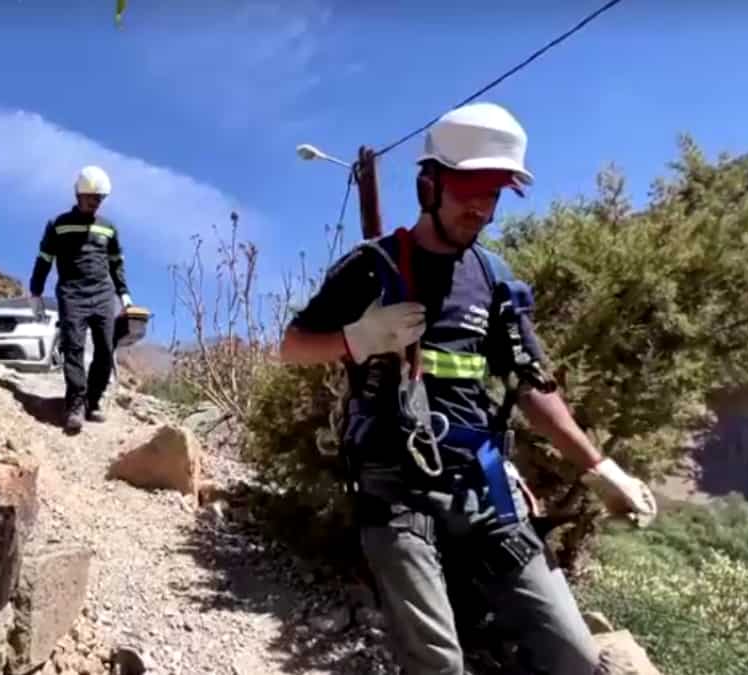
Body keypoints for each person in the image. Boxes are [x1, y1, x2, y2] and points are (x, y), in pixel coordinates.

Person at [279, 102, 657, 675]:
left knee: (573, 656)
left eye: (494, 194)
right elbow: (292, 346)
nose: (481, 207)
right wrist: (357, 338)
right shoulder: (372, 267)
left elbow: (531, 385)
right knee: (438, 664)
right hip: (395, 491)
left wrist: (599, 468)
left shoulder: (494, 279)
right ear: (429, 185)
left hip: (484, 487)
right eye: (468, 190)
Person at [29, 165, 133, 433]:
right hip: (72, 294)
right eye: (91, 198)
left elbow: (116, 263)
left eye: (100, 199)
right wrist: (36, 292)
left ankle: (93, 401)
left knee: (105, 349)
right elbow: (44, 259)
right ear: (79, 195)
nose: (96, 203)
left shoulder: (108, 228)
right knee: (73, 348)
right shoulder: (58, 225)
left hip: (103, 294)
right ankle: (74, 405)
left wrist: (124, 295)